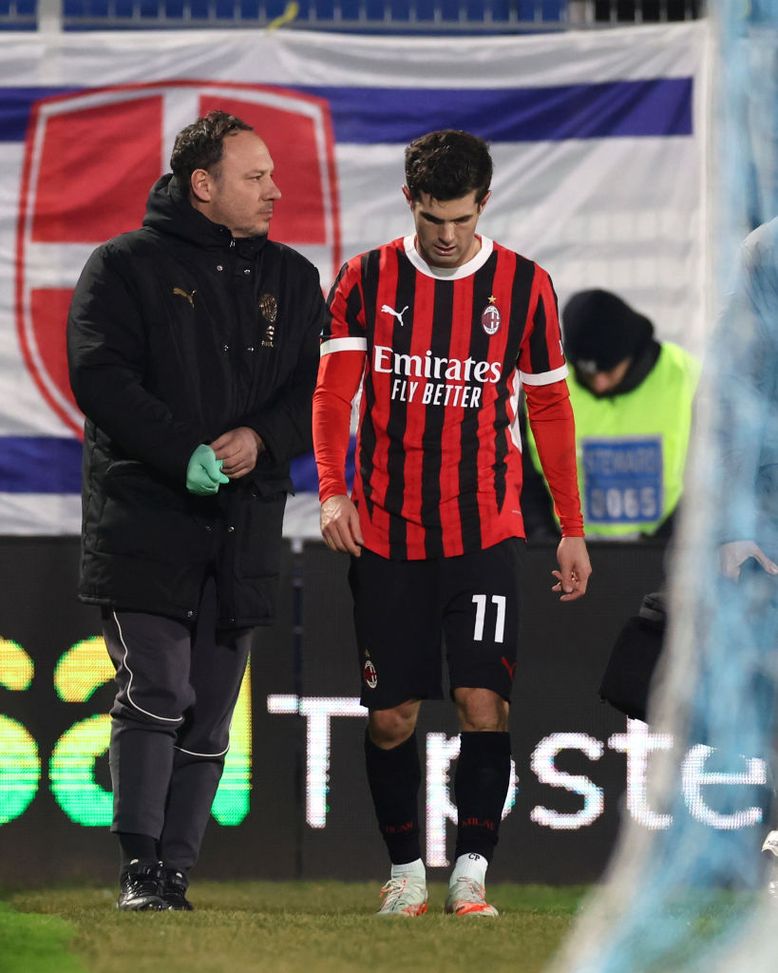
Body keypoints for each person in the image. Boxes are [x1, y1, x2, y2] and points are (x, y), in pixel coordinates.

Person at [312, 129, 591, 918]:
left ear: (484, 205)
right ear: (410, 201)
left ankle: (471, 870)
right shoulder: (364, 278)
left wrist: (571, 525)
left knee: (482, 704)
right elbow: (334, 395)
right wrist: (334, 491)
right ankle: (406, 869)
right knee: (393, 716)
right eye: (433, 218)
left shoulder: (527, 286)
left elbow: (549, 409)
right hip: (387, 532)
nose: (446, 235)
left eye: (461, 219)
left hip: (484, 530)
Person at [67, 110, 325, 911]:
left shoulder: (293, 277)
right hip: (143, 524)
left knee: (210, 716)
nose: (274, 192)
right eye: (255, 177)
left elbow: (314, 390)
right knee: (158, 691)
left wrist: (260, 435)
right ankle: (139, 868)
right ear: (203, 185)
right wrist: (184, 450)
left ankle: (175, 873)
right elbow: (100, 377)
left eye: (272, 176)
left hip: (243, 529)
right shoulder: (122, 267)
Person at [521, 289, 699, 541]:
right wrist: (544, 542)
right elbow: (523, 478)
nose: (600, 383)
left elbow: (716, 470)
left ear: (631, 351)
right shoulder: (544, 389)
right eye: (589, 373)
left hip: (667, 554)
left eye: (608, 370)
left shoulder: (686, 379)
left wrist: (674, 539)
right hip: (570, 557)